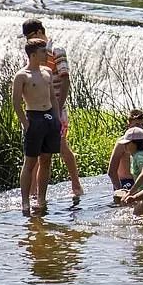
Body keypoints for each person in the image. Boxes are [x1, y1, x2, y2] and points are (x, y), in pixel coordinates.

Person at [21, 19, 83, 198]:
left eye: (31, 36)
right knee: (36, 153)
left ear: (41, 32)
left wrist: (60, 106)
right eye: (26, 38)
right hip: (38, 109)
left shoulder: (57, 50)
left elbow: (65, 79)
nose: (28, 41)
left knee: (62, 146)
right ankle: (33, 194)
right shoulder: (33, 52)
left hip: (55, 107)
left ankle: (76, 185)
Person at [12, 39, 61, 216]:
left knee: (46, 159)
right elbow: (16, 102)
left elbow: (53, 98)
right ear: (32, 54)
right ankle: (25, 201)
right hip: (34, 117)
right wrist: (25, 124)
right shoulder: (22, 75)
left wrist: (57, 118)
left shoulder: (47, 71)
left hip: (49, 116)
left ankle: (41, 198)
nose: (46, 54)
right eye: (42, 52)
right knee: (30, 161)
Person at [107, 109, 143, 197]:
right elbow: (111, 171)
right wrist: (120, 190)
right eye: (137, 125)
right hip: (126, 182)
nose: (141, 128)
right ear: (129, 125)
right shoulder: (121, 143)